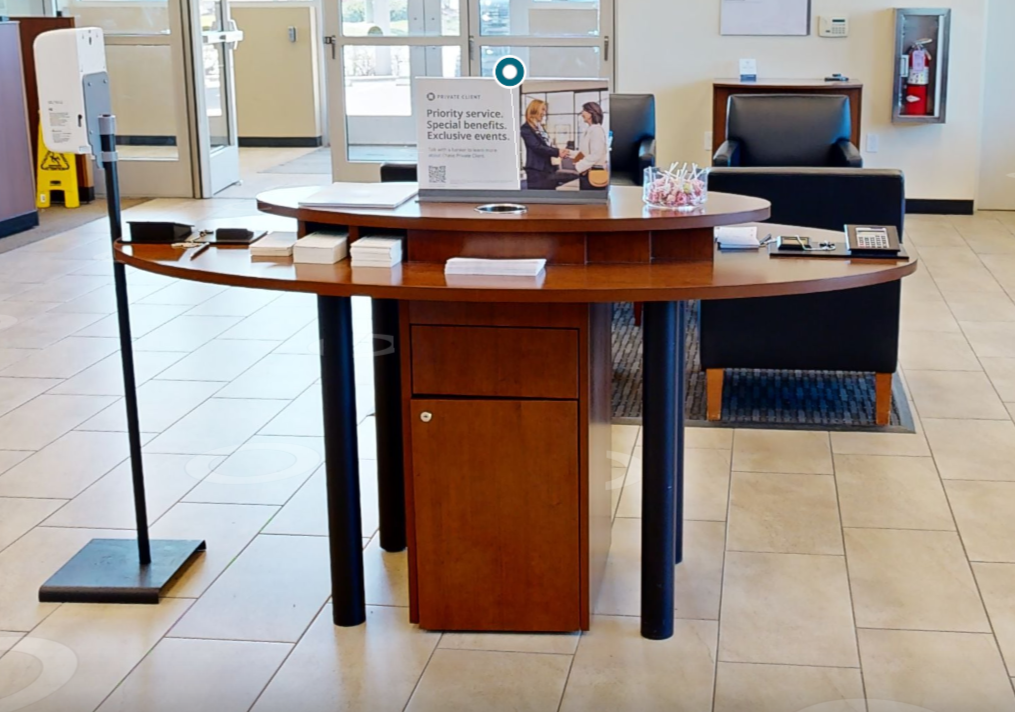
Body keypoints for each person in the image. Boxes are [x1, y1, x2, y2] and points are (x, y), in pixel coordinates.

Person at [519, 99, 572, 190]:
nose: (544, 113)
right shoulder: (526, 129)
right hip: (536, 170)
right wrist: (557, 152)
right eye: (542, 109)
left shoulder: (540, 128)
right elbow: (537, 147)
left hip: (548, 168)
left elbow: (548, 145)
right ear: (534, 110)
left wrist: (560, 151)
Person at [572, 102, 609, 190]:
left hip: (593, 173)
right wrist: (569, 153)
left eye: (584, 110)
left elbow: (596, 154)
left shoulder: (597, 130)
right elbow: (586, 153)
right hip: (586, 172)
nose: (582, 113)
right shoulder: (590, 129)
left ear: (591, 113)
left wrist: (578, 166)